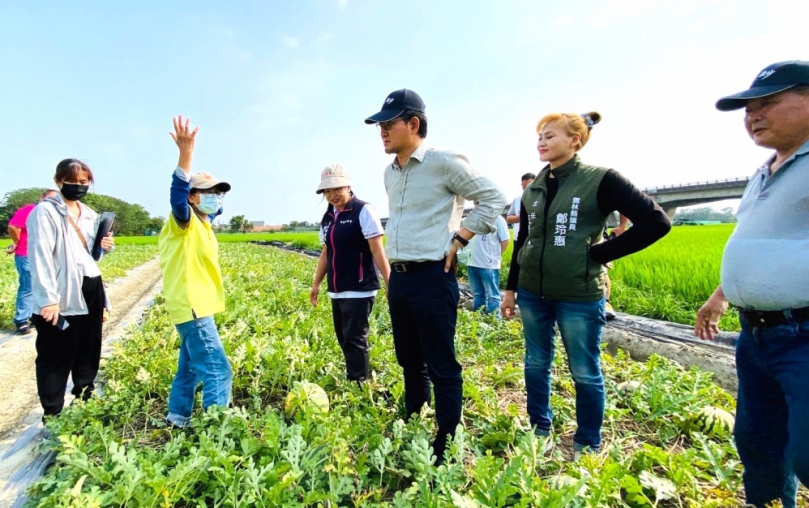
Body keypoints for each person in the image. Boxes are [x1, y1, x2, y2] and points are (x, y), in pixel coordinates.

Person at [502, 112, 670, 457]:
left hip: (579, 295)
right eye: (539, 137)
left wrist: (599, 253)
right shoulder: (532, 189)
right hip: (534, 293)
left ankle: (588, 442)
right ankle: (539, 429)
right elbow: (523, 240)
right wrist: (511, 288)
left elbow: (656, 221)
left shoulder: (601, 180)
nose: (542, 142)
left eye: (550, 136)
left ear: (575, 141)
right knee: (536, 363)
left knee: (584, 370)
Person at [365, 88, 507, 464]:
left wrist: (461, 237)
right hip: (401, 277)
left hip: (432, 275)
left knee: (442, 362)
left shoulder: (444, 163)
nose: (381, 131)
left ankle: (447, 435)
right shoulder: (390, 173)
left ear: (413, 124)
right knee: (409, 357)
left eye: (388, 124)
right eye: (379, 125)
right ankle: (413, 414)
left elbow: (494, 197)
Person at [695, 60, 809, 508]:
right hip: (756, 336)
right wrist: (720, 295)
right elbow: (758, 240)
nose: (754, 115)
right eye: (748, 109)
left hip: (802, 334)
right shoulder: (765, 171)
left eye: (768, 103)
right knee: (758, 445)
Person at [159, 116, 233, 428]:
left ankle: (178, 416)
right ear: (192, 196)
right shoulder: (184, 219)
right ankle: (216, 434)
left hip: (192, 305)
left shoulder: (203, 221)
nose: (215, 196)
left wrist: (212, 195)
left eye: (219, 191)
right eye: (207, 191)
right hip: (193, 306)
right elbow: (177, 195)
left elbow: (216, 209)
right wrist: (186, 155)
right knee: (218, 369)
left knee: (189, 365)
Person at [26, 160, 115, 417]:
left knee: (89, 346)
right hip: (60, 292)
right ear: (58, 181)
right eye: (73, 181)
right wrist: (48, 300)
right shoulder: (45, 212)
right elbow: (40, 257)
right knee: (55, 354)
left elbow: (89, 256)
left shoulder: (88, 213)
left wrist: (104, 247)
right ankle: (52, 413)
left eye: (83, 182)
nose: (78, 187)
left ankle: (84, 398)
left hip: (90, 286)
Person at [309, 164, 391, 383]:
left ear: (348, 186)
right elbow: (326, 252)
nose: (332, 195)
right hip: (337, 288)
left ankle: (359, 382)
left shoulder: (363, 211)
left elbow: (377, 249)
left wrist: (390, 281)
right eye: (327, 191)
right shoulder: (328, 218)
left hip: (360, 287)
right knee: (343, 337)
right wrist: (316, 283)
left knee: (355, 337)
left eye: (336, 188)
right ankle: (355, 375)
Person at [7, 189, 58, 335]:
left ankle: (35, 317)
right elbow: (13, 226)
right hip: (26, 254)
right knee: (28, 287)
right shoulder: (30, 209)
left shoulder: (53, 213)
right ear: (42, 197)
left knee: (43, 286)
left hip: (45, 256)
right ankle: (22, 320)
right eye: (49, 199)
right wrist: (17, 242)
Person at [464, 215, 509, 318]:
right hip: (472, 263)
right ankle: (479, 320)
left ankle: (494, 323)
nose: (477, 204)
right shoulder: (473, 217)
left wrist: (494, 256)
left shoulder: (497, 219)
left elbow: (505, 241)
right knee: (477, 294)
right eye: (475, 202)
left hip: (488, 265)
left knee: (492, 296)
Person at [506, 173, 535, 242]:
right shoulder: (517, 200)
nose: (528, 188)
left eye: (530, 185)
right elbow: (509, 219)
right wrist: (522, 216)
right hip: (518, 238)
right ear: (522, 185)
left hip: (535, 239)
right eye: (525, 186)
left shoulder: (542, 198)